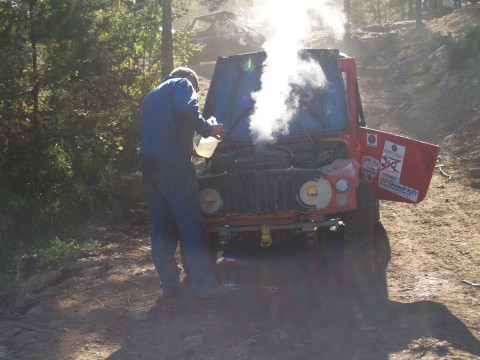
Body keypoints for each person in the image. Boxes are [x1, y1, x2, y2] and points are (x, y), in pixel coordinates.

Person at [141, 67, 228, 298]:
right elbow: (186, 111)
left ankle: (170, 287)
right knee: (191, 226)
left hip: (150, 169)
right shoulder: (182, 84)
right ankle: (204, 286)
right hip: (175, 168)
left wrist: (189, 145)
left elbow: (165, 130)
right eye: (197, 90)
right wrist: (209, 129)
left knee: (162, 229)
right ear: (190, 78)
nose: (195, 92)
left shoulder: (151, 95)